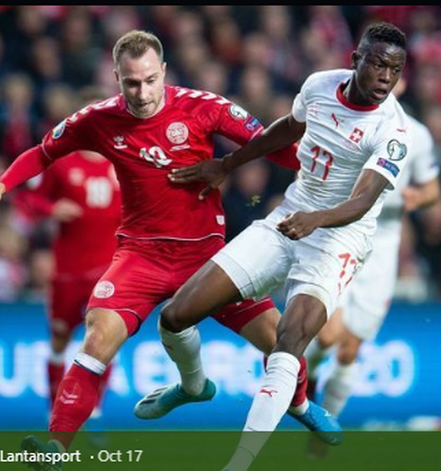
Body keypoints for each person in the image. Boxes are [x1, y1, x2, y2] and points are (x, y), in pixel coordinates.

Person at [0, 30, 323, 470]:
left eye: (150, 80)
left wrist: (326, 173)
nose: (143, 92)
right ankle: (57, 446)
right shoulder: (98, 119)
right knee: (97, 335)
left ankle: (300, 406)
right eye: (132, 83)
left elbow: (268, 143)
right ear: (116, 78)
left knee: (279, 339)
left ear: (164, 72)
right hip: (141, 255)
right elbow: (43, 152)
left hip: (207, 258)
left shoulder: (204, 107)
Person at [136, 23, 411, 471]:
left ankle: (240, 463)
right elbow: (288, 128)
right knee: (174, 316)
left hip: (338, 240)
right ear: (355, 57)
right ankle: (192, 386)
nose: (385, 77)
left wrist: (316, 219)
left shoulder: (393, 130)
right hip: (288, 220)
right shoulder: (319, 86)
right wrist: (226, 163)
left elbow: (363, 201)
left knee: (288, 345)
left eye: (394, 70)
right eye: (378, 64)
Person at [303, 81, 441, 456]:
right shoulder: (346, 119)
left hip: (384, 243)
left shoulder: (418, 135)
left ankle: (323, 427)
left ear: (403, 82)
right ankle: (310, 373)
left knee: (350, 348)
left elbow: (432, 189)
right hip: (343, 231)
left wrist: (417, 196)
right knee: (329, 334)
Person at [15, 148, 121, 422]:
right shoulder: (62, 165)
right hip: (68, 271)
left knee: (105, 337)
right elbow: (28, 199)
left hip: (107, 269)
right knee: (60, 338)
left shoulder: (122, 161)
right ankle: (54, 409)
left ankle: (93, 408)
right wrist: (52, 208)